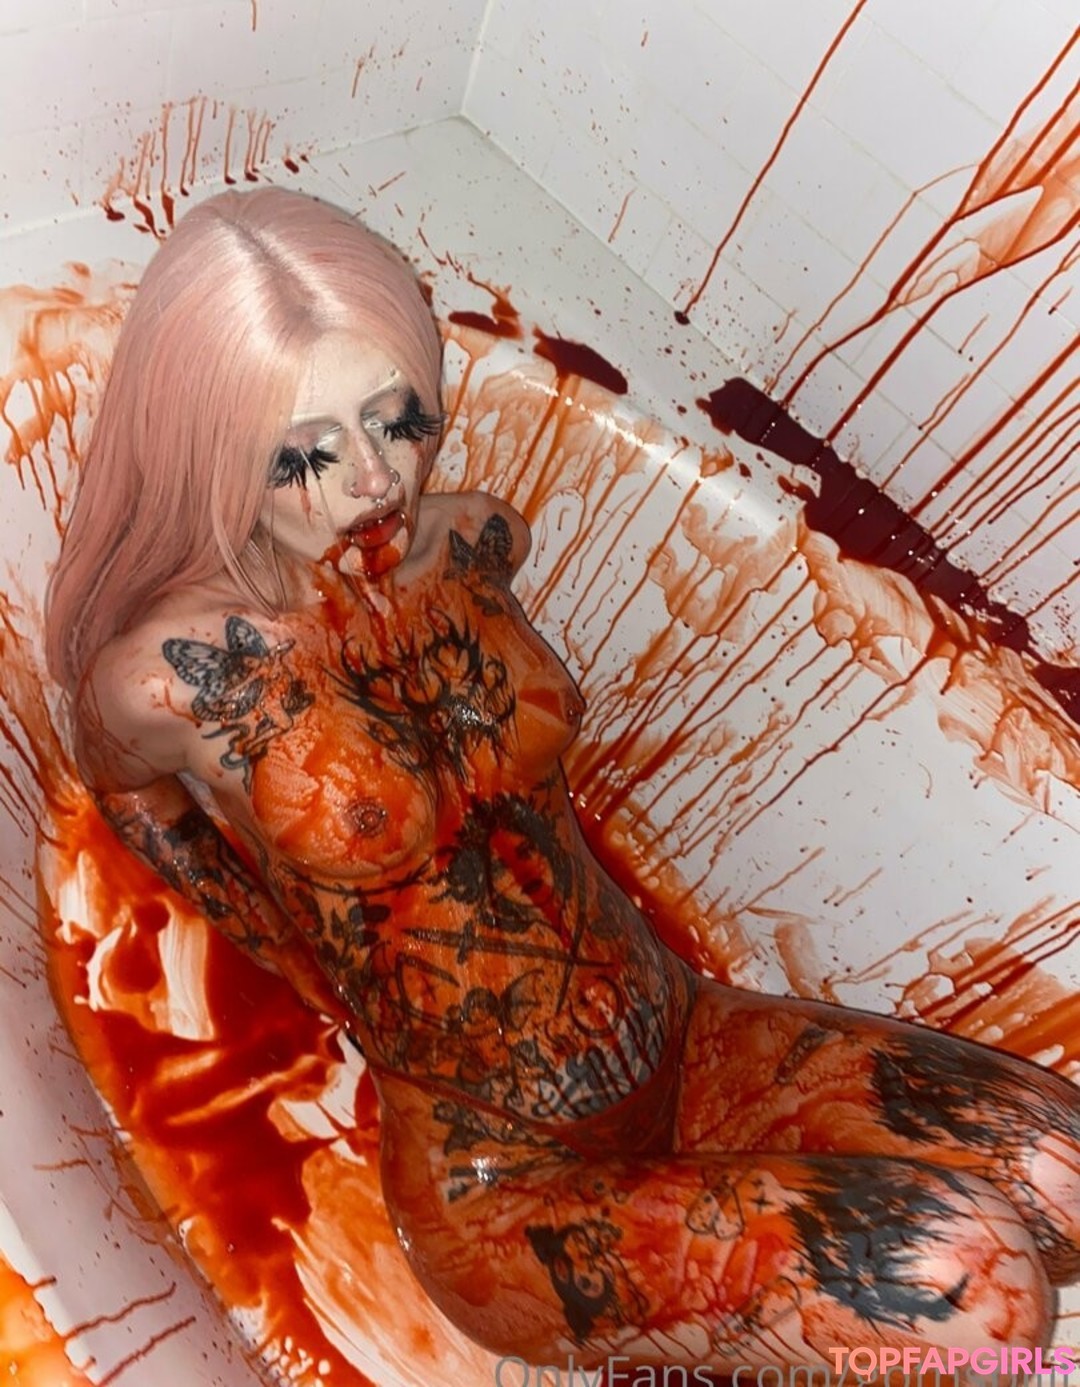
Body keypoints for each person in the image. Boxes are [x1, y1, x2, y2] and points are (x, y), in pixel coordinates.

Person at [45, 186, 1080, 1373]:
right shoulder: (167, 680)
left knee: (1058, 1175)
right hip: (504, 1174)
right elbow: (131, 792)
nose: (374, 482)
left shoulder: (472, 542)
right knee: (975, 1285)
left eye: (396, 419)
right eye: (305, 454)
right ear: (211, 453)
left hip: (685, 1034)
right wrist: (294, 956)